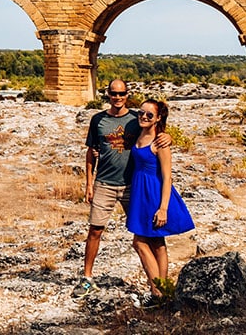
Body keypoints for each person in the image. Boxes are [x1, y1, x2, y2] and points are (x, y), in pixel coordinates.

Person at [71, 80, 170, 300]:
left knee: (146, 237)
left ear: (127, 95)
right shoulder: (98, 120)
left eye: (122, 93)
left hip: (133, 186)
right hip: (105, 183)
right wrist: (89, 183)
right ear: (107, 94)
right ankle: (87, 278)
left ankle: (160, 288)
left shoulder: (138, 118)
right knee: (95, 230)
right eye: (114, 93)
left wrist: (168, 136)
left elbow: (157, 132)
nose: (117, 97)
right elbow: (91, 151)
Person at [126, 99, 195, 307]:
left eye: (149, 115)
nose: (144, 117)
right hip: (141, 192)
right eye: (142, 113)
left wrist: (163, 208)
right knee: (156, 243)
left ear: (158, 119)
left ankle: (157, 293)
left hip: (154, 194)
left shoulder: (160, 142)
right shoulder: (137, 131)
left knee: (139, 242)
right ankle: (163, 293)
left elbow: (167, 177)